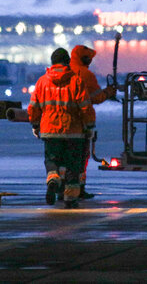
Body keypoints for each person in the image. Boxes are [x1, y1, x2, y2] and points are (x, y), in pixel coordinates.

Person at [28, 48, 93, 209]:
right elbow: (85, 107)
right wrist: (89, 125)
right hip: (73, 131)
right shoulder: (76, 81)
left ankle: (53, 180)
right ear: (67, 62)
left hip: (50, 130)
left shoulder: (42, 82)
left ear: (52, 62)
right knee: (73, 165)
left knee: (52, 160)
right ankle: (70, 199)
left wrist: (35, 124)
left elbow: (33, 107)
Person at [70, 45, 116, 199]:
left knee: (60, 160)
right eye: (89, 58)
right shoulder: (86, 75)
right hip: (78, 125)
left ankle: (58, 186)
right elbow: (97, 98)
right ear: (84, 58)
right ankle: (78, 190)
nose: (90, 61)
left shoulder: (64, 73)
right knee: (80, 160)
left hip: (55, 126)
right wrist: (109, 92)